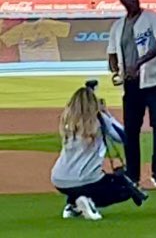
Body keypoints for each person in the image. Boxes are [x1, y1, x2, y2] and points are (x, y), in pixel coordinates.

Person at [51, 86, 146, 221]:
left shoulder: (67, 121)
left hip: (59, 179)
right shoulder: (98, 120)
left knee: (82, 185)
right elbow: (124, 137)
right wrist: (106, 114)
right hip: (87, 178)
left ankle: (72, 205)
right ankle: (85, 202)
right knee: (125, 188)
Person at [107, 0, 156, 189]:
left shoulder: (152, 18)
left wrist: (140, 62)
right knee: (131, 130)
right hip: (131, 84)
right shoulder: (118, 26)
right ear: (122, 1)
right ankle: (133, 176)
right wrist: (115, 68)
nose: (132, 1)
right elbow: (112, 54)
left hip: (155, 81)